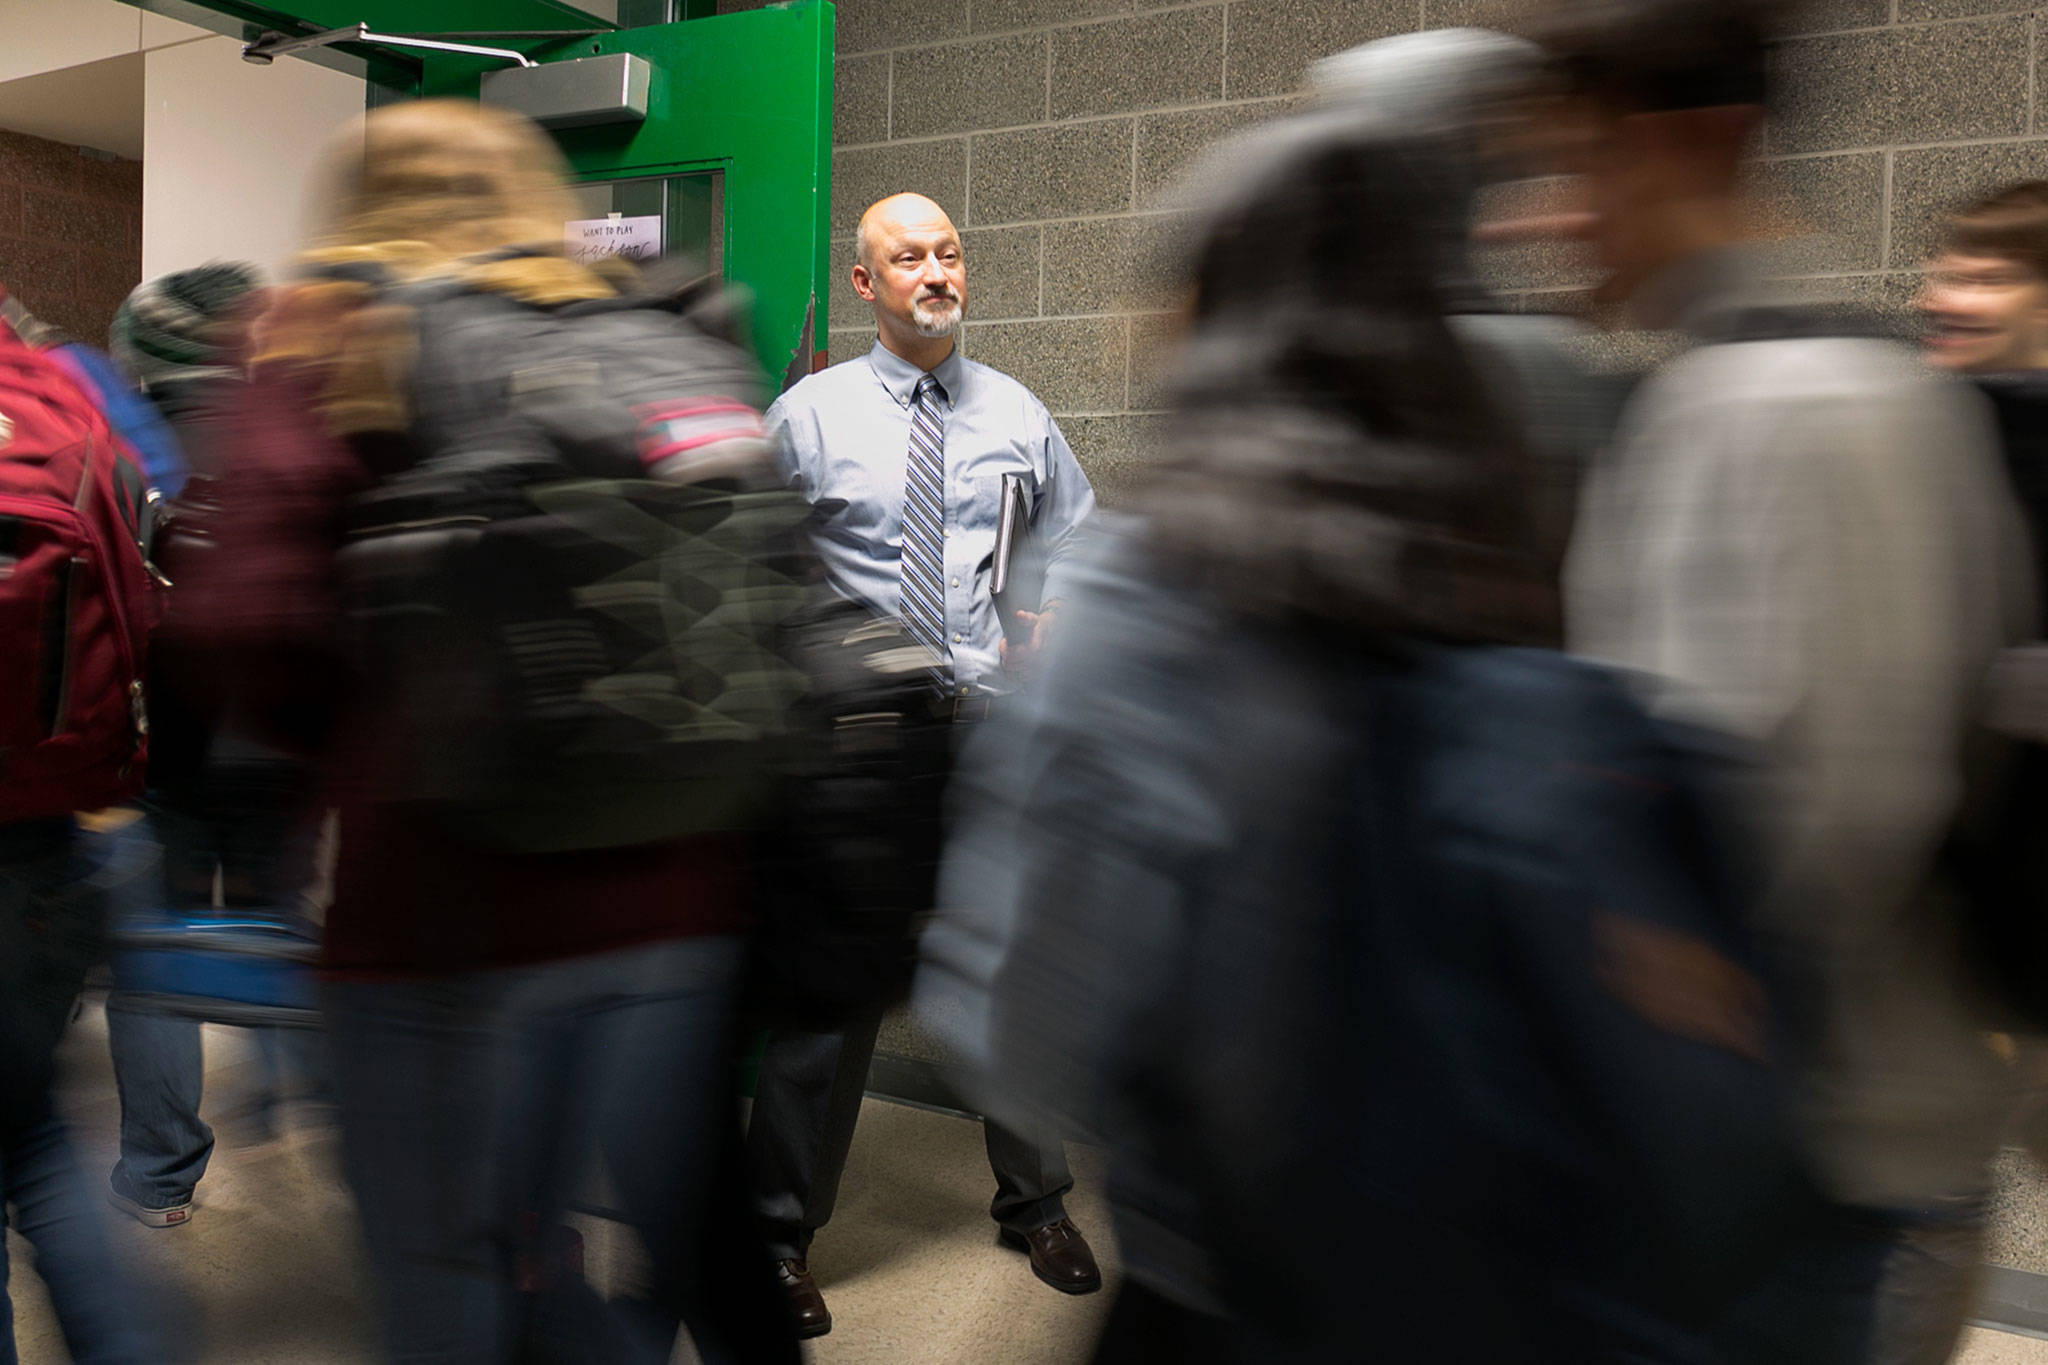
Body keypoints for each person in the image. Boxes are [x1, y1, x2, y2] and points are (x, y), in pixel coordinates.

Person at [917, 110, 1806, 1362]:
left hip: (1251, 1273)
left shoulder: (1154, 598)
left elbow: (1019, 1026)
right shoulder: (1516, 539)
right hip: (1510, 1265)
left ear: (1209, 308)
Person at [178, 100, 797, 1364]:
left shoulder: (336, 338)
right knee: (592, 1252)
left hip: (439, 909)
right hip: (677, 893)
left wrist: (337, 744)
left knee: (455, 1281)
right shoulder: (655, 329)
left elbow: (240, 628)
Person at [1548, 2, 2035, 1360]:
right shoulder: (1732, 390)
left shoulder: (1812, 405)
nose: (1553, 220)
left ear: (1697, 141)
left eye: (1577, 164)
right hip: (1770, 1164)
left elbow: (1837, 824)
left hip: (1832, 1176)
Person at [752, 190, 1100, 1337]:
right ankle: (775, 1233)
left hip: (989, 734)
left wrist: (1054, 612)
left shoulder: (1015, 411)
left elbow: (1074, 543)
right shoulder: (806, 416)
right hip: (855, 748)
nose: (935, 270)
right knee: (829, 994)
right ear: (864, 282)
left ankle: (1035, 1200)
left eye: (948, 251)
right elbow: (750, 570)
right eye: (908, 256)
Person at [97, 263, 331, 1232]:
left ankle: (159, 1177)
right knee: (285, 923)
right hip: (283, 747)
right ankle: (293, 1099)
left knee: (150, 967)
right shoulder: (304, 439)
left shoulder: (116, 455)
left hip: (164, 752)